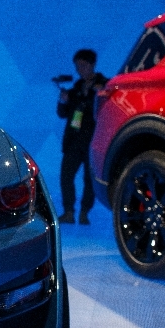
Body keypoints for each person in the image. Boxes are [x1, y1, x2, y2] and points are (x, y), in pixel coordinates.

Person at [56, 49, 108, 225]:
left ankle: (85, 212)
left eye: (83, 65)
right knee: (66, 175)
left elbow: (107, 111)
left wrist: (101, 95)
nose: (80, 70)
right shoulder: (76, 88)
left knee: (89, 178)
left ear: (92, 64)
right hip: (74, 140)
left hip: (94, 139)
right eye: (77, 66)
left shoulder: (105, 86)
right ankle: (68, 211)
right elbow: (63, 114)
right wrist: (63, 100)